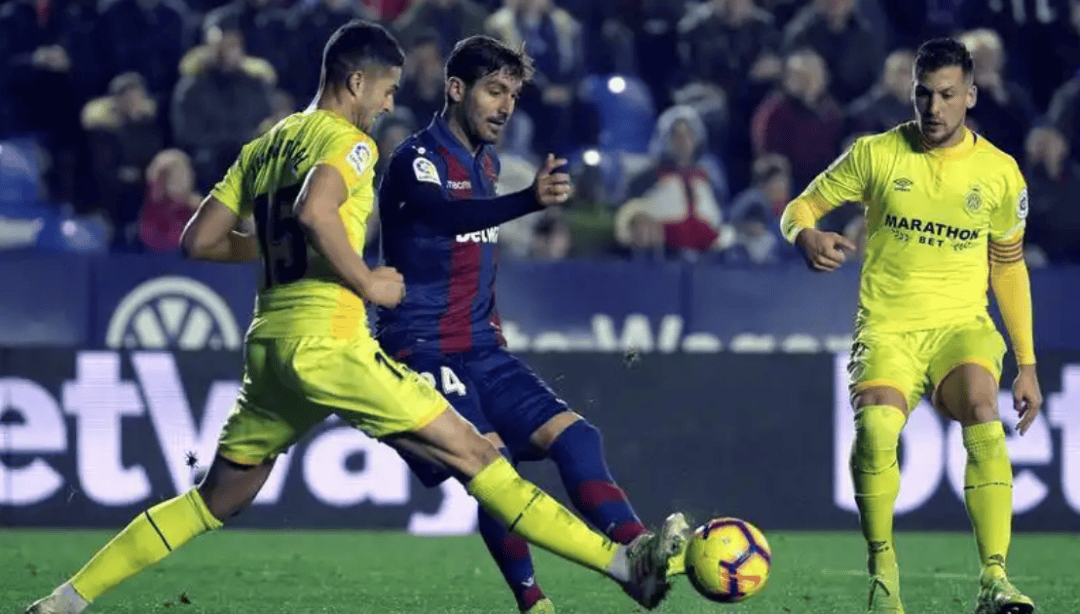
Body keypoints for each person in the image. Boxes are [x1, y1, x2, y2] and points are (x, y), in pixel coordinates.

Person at [23, 20, 685, 614]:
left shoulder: (268, 143)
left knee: (214, 500)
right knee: (479, 456)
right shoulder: (352, 143)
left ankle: (65, 601)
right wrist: (365, 280)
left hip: (270, 348)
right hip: (331, 343)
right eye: (388, 89)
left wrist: (279, 247)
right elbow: (315, 211)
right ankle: (621, 564)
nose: (391, 104)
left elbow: (199, 240)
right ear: (357, 81)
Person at [375, 35, 689, 613]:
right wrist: (528, 201)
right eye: (494, 91)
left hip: (483, 347)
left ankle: (639, 556)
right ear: (456, 89)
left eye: (513, 96)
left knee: (578, 437)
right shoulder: (415, 160)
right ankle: (534, 602)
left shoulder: (486, 162)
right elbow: (444, 216)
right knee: (496, 469)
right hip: (422, 348)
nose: (505, 107)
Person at [780, 38, 1041, 614]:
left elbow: (1009, 267)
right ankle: (883, 574)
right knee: (876, 429)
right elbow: (798, 208)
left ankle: (995, 579)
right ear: (912, 92)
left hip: (960, 327)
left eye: (947, 95)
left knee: (983, 410)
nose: (934, 108)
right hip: (888, 329)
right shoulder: (875, 154)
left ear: (970, 96)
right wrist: (806, 235)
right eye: (924, 94)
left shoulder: (1000, 173)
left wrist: (1027, 364)